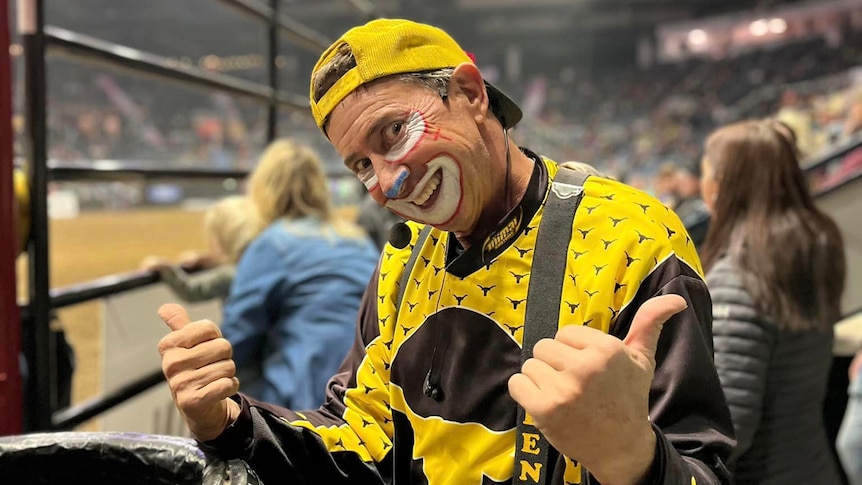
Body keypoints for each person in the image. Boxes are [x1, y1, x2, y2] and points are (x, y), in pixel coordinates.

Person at [157, 19, 734, 485]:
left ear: (470, 93)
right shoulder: (403, 264)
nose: (387, 182)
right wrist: (231, 423)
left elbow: (702, 469)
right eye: (361, 165)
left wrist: (632, 460)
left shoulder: (631, 239)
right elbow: (359, 440)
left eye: (393, 132)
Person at [699, 119, 846, 484]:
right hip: (811, 466)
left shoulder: (738, 276)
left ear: (720, 186)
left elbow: (730, 430)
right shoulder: (812, 247)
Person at [220, 138, 379, 409]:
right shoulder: (356, 239)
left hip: (309, 398)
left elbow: (236, 338)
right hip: (371, 389)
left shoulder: (272, 243)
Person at [141, 195, 261, 302]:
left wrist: (166, 269)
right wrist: (211, 260)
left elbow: (190, 291)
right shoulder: (263, 264)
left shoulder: (227, 276)